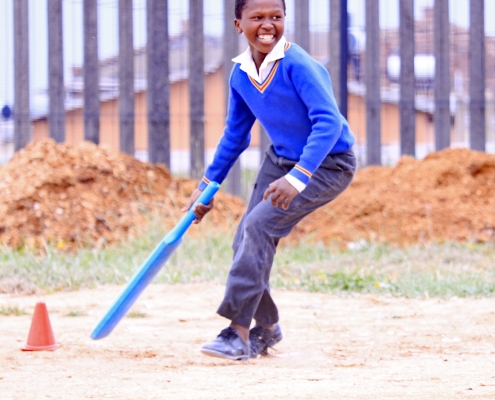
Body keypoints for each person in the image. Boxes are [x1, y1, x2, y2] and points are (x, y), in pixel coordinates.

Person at [182, 0, 356, 361]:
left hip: (327, 164)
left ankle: (237, 334)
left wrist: (298, 177)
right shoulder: (241, 75)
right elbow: (235, 135)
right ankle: (267, 327)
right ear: (237, 24)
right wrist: (207, 185)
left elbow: (329, 124)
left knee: (259, 226)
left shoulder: (298, 65)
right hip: (280, 162)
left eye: (276, 17)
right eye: (257, 17)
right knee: (244, 241)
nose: (268, 25)